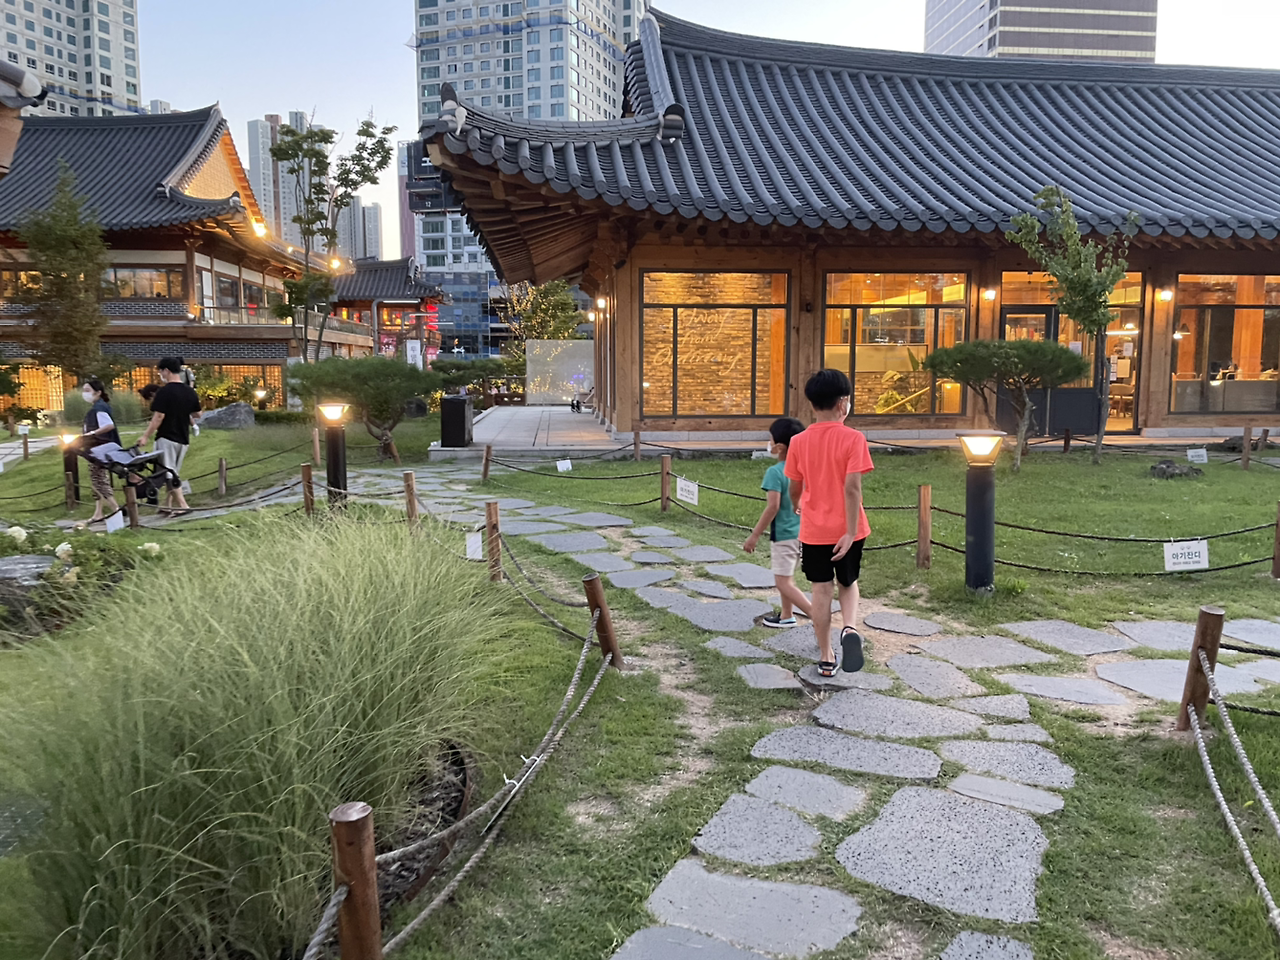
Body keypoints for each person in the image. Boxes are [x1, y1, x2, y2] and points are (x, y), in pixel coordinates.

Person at [784, 369, 874, 677]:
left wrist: (797, 505)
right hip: (849, 529)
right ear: (843, 403)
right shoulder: (854, 438)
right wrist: (849, 531)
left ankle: (825, 656)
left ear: (812, 404)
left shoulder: (798, 441)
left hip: (814, 530)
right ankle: (849, 628)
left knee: (821, 591)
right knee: (848, 583)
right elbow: (852, 488)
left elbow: (794, 486)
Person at [743, 417, 812, 628]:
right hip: (804, 532)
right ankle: (786, 615)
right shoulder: (806, 469)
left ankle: (817, 616)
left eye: (771, 439)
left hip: (784, 535)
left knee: (782, 582)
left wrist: (754, 535)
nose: (769, 443)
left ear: (780, 447)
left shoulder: (775, 473)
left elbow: (773, 507)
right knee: (787, 576)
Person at [136, 357, 202, 515]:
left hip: (167, 437)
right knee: (172, 471)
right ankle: (167, 505)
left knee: (169, 472)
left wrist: (145, 436)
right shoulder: (189, 391)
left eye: (160, 372)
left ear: (166, 370)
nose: (160, 375)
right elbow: (198, 414)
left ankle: (183, 506)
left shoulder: (164, 392)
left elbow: (158, 417)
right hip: (183, 437)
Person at [79, 379, 121, 523]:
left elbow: (109, 425)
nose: (84, 393)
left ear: (98, 392)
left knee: (98, 480)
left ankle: (115, 509)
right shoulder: (100, 406)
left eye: (87, 390)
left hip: (99, 449)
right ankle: (98, 512)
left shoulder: (99, 409)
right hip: (97, 448)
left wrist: (92, 434)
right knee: (96, 478)